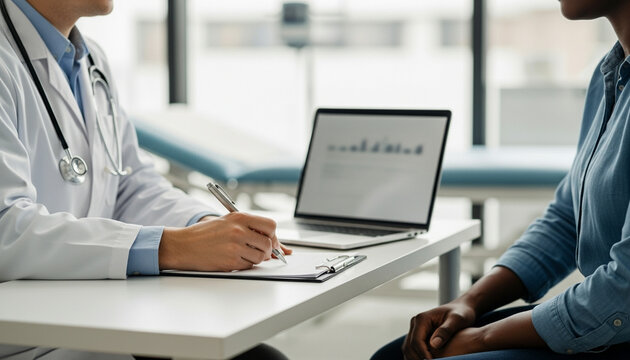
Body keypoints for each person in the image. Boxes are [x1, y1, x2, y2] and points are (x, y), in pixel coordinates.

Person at [0, 0, 291, 359]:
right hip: (24, 339)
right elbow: (6, 228)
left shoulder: (92, 62)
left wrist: (208, 226)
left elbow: (130, 185)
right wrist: (171, 246)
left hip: (95, 318)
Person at [372, 0, 630, 359]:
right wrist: (470, 302)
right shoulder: (611, 75)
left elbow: (624, 291)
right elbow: (567, 219)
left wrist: (483, 338)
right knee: (393, 355)